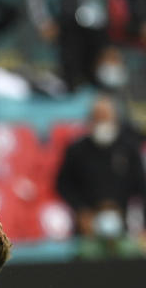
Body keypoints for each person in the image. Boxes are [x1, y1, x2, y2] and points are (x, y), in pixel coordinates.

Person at [27, 0, 146, 92]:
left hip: (102, 30)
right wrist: (42, 20)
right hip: (70, 28)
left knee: (103, 82)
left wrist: (142, 22)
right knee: (69, 79)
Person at [55, 95, 146, 259]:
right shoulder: (76, 150)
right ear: (90, 120)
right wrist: (81, 211)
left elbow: (141, 187)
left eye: (106, 117)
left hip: (124, 228)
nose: (102, 122)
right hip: (87, 231)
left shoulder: (129, 150)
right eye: (97, 118)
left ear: (116, 119)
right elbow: (63, 185)